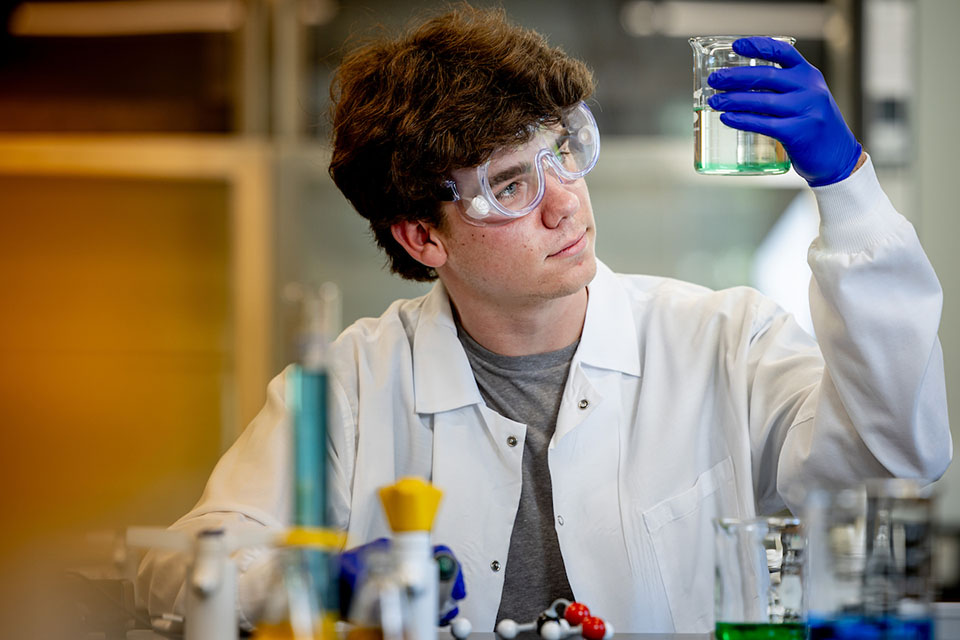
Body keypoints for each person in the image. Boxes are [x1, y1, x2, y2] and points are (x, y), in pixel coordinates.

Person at [138, 5, 951, 634]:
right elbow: (182, 562)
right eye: (510, 185)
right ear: (423, 238)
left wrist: (847, 186)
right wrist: (313, 583)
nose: (565, 202)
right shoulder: (353, 384)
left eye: (562, 151)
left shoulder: (726, 345)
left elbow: (897, 460)